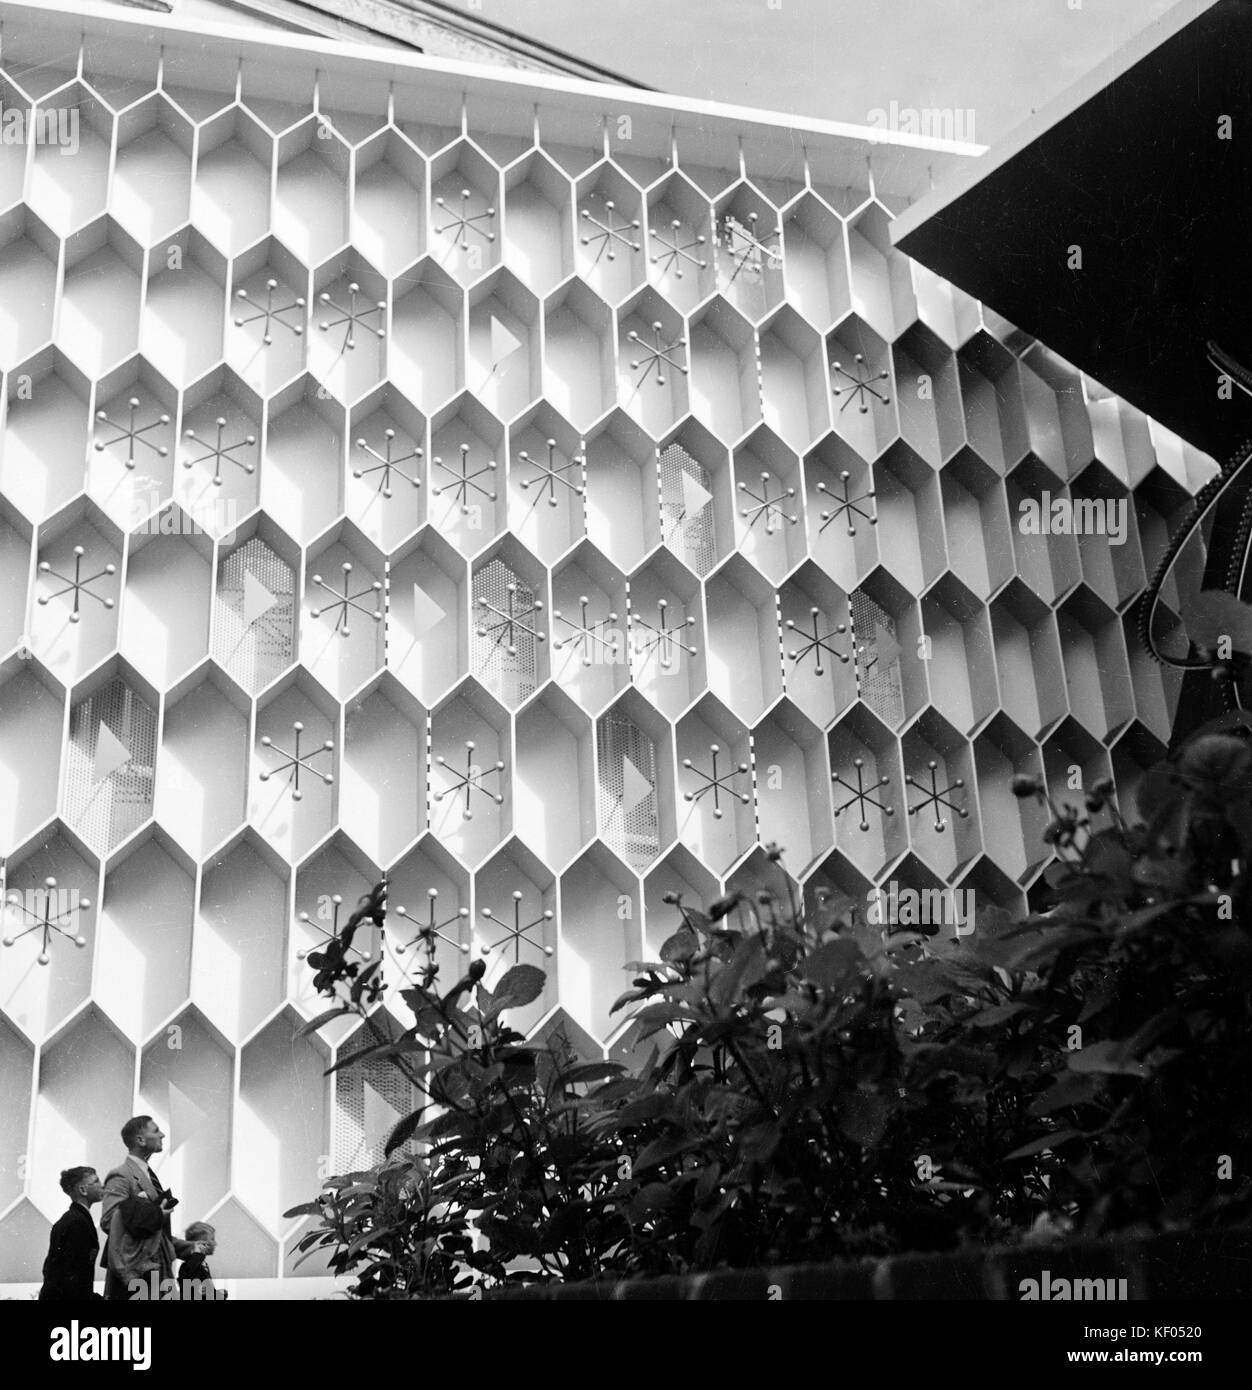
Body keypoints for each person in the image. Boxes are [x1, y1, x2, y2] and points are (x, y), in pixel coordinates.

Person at [99, 1116, 201, 1300]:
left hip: (155, 1273)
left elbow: (158, 1235)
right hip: (139, 1274)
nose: (162, 1135)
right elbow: (108, 1220)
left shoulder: (146, 1174)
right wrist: (153, 1215)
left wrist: (190, 1247)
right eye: (155, 1131)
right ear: (140, 1140)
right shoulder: (121, 1175)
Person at [39, 1167, 104, 1300]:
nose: (102, 1185)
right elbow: (74, 1279)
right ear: (83, 1190)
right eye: (96, 1181)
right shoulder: (77, 1223)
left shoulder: (72, 1219)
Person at [178, 1223, 223, 1300]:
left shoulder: (202, 1264)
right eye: (212, 1239)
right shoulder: (189, 1267)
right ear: (201, 1243)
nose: (215, 1243)